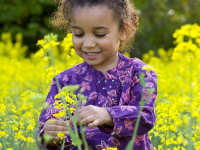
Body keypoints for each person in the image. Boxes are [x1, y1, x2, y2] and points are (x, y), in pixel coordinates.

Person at [35, 0, 157, 149]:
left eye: (99, 34)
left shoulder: (140, 73)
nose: (88, 44)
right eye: (78, 34)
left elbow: (145, 116)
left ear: (123, 31)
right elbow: (47, 133)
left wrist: (108, 115)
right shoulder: (64, 80)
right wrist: (49, 134)